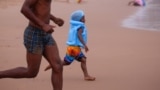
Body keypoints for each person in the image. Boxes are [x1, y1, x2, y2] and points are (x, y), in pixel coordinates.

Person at [0, 0, 64, 90]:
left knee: (57, 66)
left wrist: (54, 19)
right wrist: (42, 25)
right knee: (31, 72)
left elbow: (41, 9)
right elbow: (24, 9)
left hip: (46, 34)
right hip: (34, 34)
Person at [44, 10, 95, 81]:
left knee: (81, 60)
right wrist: (84, 45)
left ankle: (86, 75)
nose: (85, 20)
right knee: (68, 62)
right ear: (79, 20)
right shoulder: (80, 27)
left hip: (72, 48)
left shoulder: (74, 25)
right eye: (83, 18)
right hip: (74, 49)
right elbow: (79, 35)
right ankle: (54, 64)